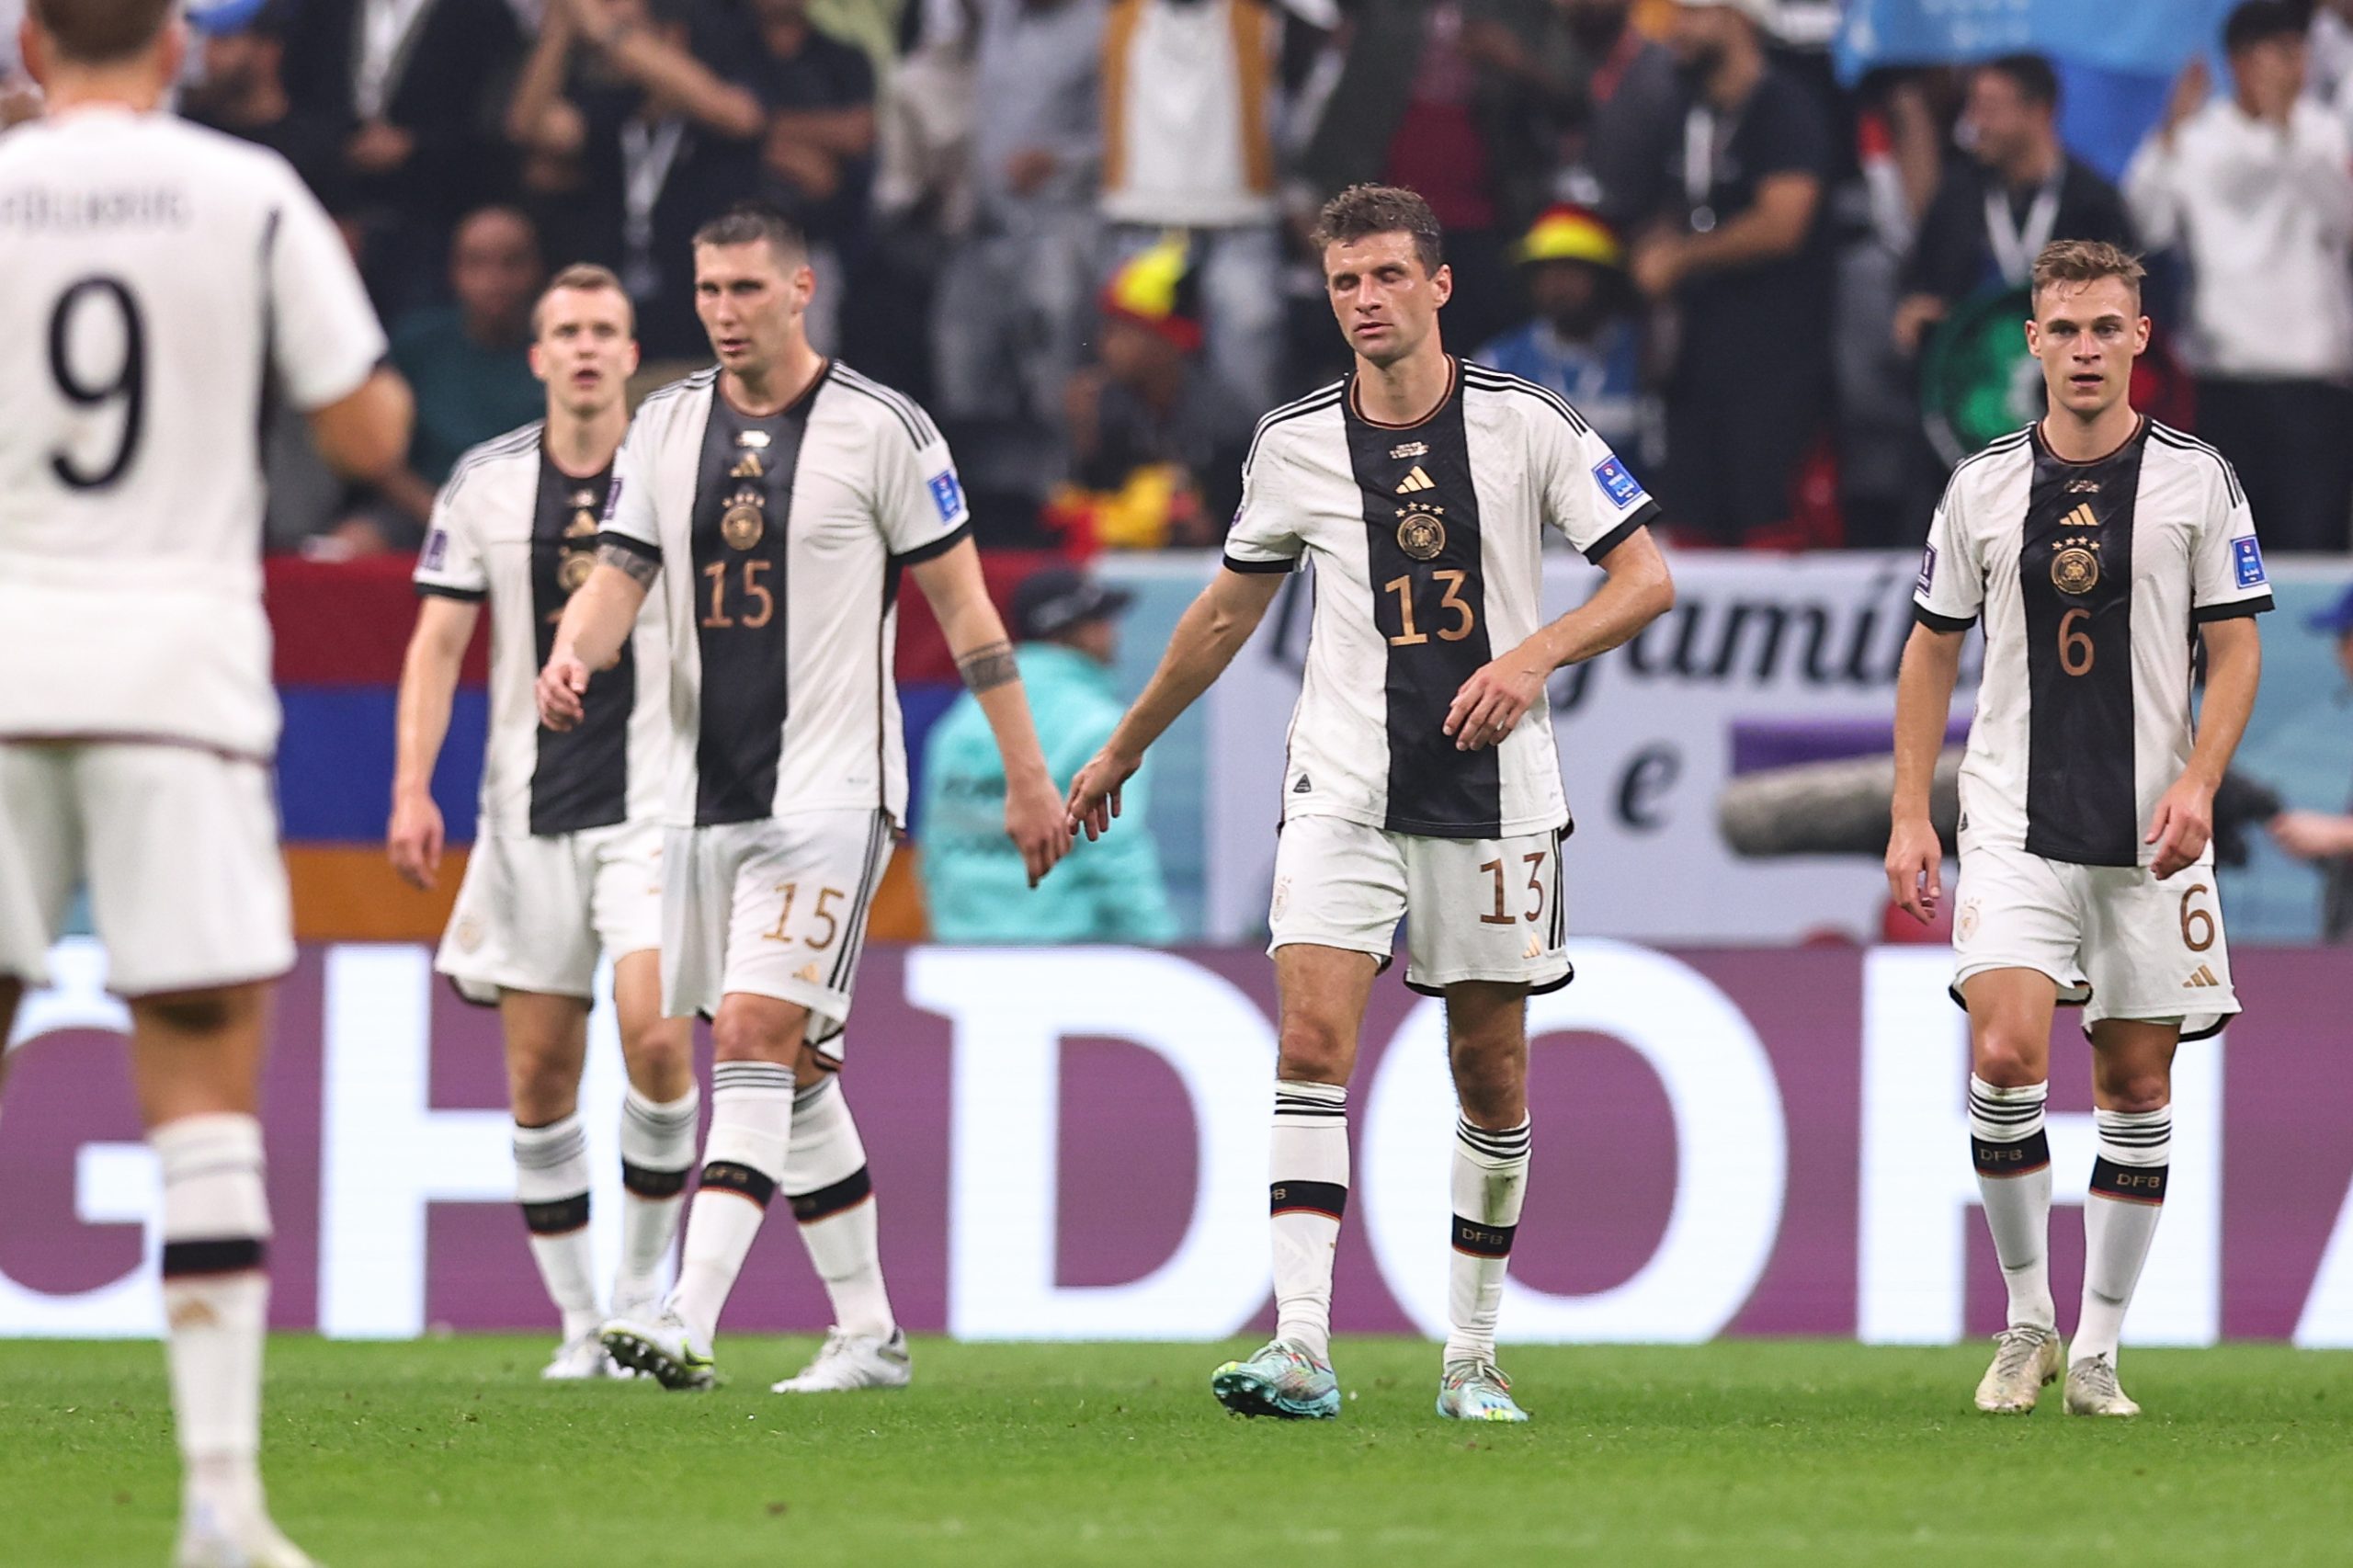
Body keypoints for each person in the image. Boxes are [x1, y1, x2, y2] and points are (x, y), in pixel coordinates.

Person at [1067, 184, 1675, 1424]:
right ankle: (1301, 1342)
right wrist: (1124, 744)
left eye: (1389, 275)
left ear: (1438, 284)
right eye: (1345, 281)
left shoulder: (1526, 422)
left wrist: (1532, 656)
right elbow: (1225, 612)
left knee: (1488, 1072)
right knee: (1309, 1041)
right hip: (1342, 779)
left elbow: (1644, 577)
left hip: (1496, 791)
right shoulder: (1292, 442)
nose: (1366, 300)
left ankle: (1471, 1354)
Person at [0, 0, 411, 1559]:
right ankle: (221, 1501)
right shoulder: (247, 194)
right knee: (197, 1065)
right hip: (174, 676)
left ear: (33, 46)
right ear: (177, 47)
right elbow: (366, 426)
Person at [536, 204, 1072, 1393]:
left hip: (831, 791)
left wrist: (1028, 772)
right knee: (792, 1063)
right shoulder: (663, 424)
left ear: (799, 289)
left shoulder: (885, 429)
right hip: (700, 795)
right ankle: (869, 1331)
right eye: (708, 291)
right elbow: (618, 573)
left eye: (745, 289)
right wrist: (574, 654)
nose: (724, 312)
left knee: (753, 1033)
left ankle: (685, 1315)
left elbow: (967, 610)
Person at [1889, 240, 2271, 1420]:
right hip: (2014, 811)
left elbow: (2236, 647)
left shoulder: (2198, 480)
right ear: (2033, 343)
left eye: (2107, 327)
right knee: (2005, 1054)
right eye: (2063, 329)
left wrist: (2200, 781)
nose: (2085, 349)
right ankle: (2026, 1320)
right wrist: (1910, 811)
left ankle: (2097, 1346)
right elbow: (1930, 647)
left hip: (2153, 823)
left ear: (2140, 339)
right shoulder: (1981, 484)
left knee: (2135, 1081)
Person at [389, 265, 699, 1381]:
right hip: (526, 815)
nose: (584, 347)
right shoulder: (484, 483)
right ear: (537, 356)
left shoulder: (681, 475)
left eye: (604, 329)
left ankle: (640, 1296)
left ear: (630, 354)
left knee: (656, 1037)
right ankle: (578, 1324)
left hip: (657, 803)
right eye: (565, 330)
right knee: (540, 1076)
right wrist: (411, 786)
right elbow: (436, 643)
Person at [2125, 1, 2353, 553]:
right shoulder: (2200, 138)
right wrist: (2167, 135)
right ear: (2241, 62)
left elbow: (2345, 220)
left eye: (2300, 53)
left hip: (2312, 380)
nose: (2296, 68)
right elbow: (2146, 221)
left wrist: (2286, 135)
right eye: (2282, 53)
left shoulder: (2324, 133)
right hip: (2225, 378)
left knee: (2311, 547)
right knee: (2230, 553)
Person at [1635, 0, 1832, 546]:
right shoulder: (1686, 109)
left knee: (1769, 526)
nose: (1677, 27)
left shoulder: (1785, 106)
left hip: (1773, 365)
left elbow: (1783, 223)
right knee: (1692, 526)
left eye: (1693, 13)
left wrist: (1680, 257)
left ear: (1739, 18)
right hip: (1694, 363)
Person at [921, 565, 1179, 942]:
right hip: (1069, 954)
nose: (1113, 633)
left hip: (963, 948)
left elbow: (935, 850)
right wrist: (1161, 943)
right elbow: (1115, 856)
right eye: (1100, 621)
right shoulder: (1104, 729)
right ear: (1071, 631)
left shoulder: (959, 721)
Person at [507, 0, 767, 363]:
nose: (616, 52)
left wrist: (605, 30)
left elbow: (739, 117)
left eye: (629, 38)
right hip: (624, 342)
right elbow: (528, 125)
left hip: (711, 340)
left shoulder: (716, 109)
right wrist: (560, 31)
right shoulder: (616, 112)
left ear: (673, 36)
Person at [1097, 0, 1284, 411]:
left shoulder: (1257, 14)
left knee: (1246, 368)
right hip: (1144, 215)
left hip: (1239, 216)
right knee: (1138, 372)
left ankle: (1247, 452)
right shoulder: (1119, 14)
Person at [1893, 55, 2135, 358]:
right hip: (1977, 374)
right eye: (1972, 108)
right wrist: (1916, 310)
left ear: (2039, 112)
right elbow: (1921, 284)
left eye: (1989, 109)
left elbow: (2126, 301)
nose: (1976, 124)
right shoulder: (1958, 196)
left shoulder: (2093, 203)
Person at [347, 206, 551, 553]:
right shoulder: (417, 344)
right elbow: (378, 455)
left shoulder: (562, 349)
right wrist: (440, 513)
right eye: (477, 263)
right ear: (454, 272)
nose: (494, 280)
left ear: (537, 270)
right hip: (421, 512)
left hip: (535, 520)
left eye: (512, 263)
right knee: (343, 550)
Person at [1061, 233, 1256, 542]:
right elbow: (1089, 503)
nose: (1106, 344)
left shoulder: (1224, 423)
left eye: (1124, 331)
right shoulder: (1110, 405)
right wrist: (1085, 439)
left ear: (1167, 341)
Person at [1475, 203, 1643, 460]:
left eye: (1572, 271)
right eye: (1547, 272)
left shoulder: (1647, 355)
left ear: (1603, 277)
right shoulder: (1498, 363)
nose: (1558, 286)